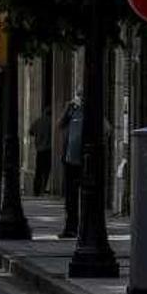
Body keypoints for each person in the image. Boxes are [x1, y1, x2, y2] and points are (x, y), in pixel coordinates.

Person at [58, 93, 84, 239]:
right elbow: (60, 125)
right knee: (70, 198)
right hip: (69, 161)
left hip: (84, 161)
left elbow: (106, 129)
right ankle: (71, 227)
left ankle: (82, 227)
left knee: (84, 197)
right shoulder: (71, 111)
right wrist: (67, 108)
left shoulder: (91, 112)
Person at [30, 106, 53, 197]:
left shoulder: (38, 121)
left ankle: (36, 190)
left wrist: (38, 136)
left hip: (39, 150)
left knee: (38, 171)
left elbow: (30, 131)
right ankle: (43, 189)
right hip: (48, 150)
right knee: (46, 171)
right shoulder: (51, 121)